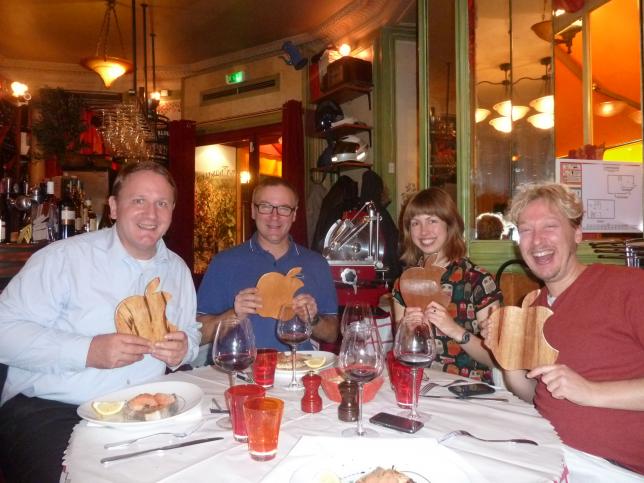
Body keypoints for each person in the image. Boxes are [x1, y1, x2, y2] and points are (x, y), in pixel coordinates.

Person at [0, 161, 201, 482]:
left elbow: (190, 332)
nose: (151, 214)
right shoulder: (62, 259)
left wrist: (184, 349)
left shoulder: (177, 270)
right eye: (139, 200)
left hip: (144, 409)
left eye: (162, 203)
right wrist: (87, 351)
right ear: (113, 207)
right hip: (50, 410)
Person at [481, 183, 644, 480]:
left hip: (615, 469)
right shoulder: (532, 305)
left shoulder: (630, 287)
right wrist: (508, 357)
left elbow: (578, 392)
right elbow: (536, 394)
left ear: (577, 233)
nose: (536, 240)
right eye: (526, 230)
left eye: (550, 226)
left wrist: (591, 392)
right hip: (549, 456)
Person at [197, 176, 339, 351]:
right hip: (240, 371)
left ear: (294, 214)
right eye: (265, 207)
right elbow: (198, 334)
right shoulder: (224, 262)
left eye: (284, 208)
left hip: (296, 370)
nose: (274, 216)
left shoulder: (317, 264)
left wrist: (313, 318)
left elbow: (332, 333)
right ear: (253, 211)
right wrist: (234, 314)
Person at [392, 187, 502, 384]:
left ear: (450, 225)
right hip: (421, 384)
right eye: (415, 223)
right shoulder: (405, 283)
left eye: (432, 221)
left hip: (470, 390)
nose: (424, 231)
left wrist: (454, 330)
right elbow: (401, 351)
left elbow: (496, 358)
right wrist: (406, 330)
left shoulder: (478, 280)